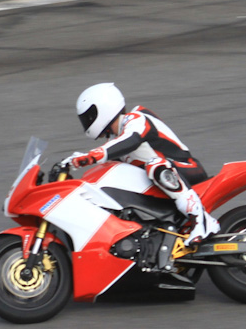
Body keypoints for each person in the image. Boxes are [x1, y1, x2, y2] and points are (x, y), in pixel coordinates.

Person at [61, 82, 220, 246]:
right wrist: (70, 177)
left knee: (155, 165)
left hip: (185, 169)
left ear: (103, 108)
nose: (87, 122)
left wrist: (91, 156)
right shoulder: (115, 140)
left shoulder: (136, 119)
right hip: (162, 184)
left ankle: (202, 221)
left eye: (89, 116)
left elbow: (132, 139)